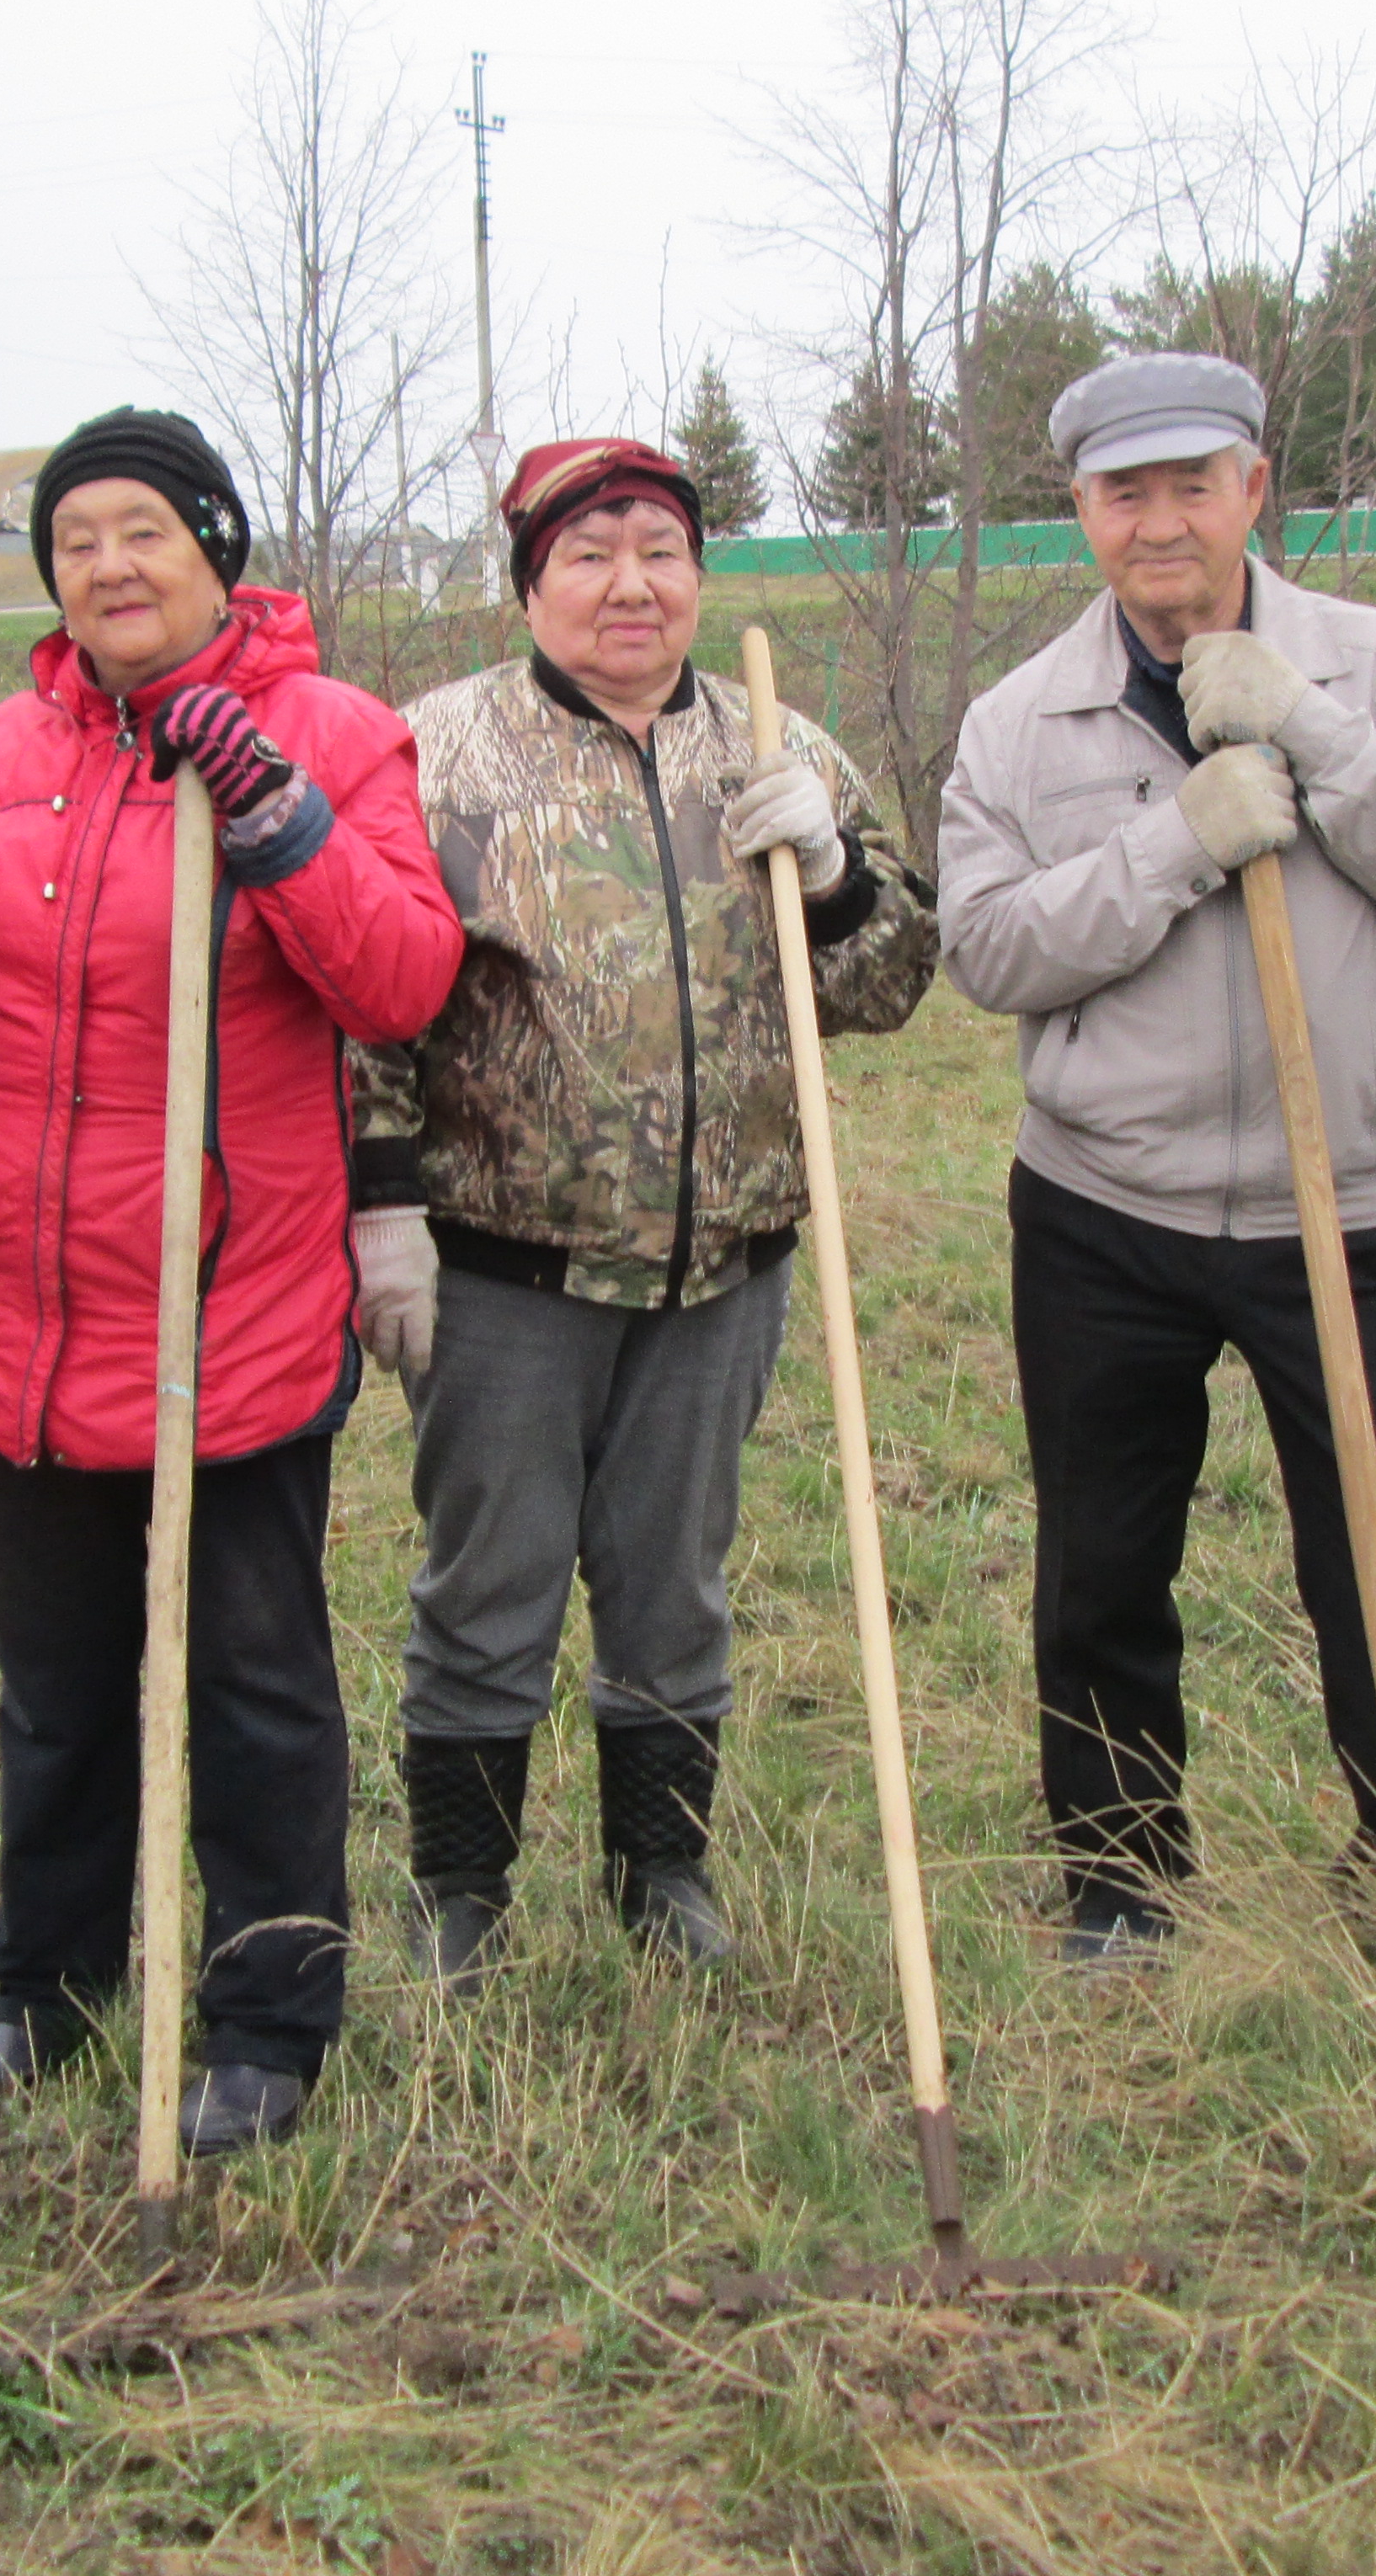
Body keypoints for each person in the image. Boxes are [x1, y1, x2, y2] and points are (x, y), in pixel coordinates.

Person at [0, 407, 460, 2148]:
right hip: (26, 1322)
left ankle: (266, 2017)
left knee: (254, 1689)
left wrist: (272, 812)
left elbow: (404, 981)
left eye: (145, 532)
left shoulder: (334, 735)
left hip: (226, 1312)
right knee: (56, 1691)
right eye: (76, 539)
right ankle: (49, 1990)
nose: (109, 565)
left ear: (216, 549)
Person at [940, 352, 1376, 1963]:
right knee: (1104, 1564)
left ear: (1254, 488)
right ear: (1081, 511)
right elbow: (988, 950)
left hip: (1340, 1201)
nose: (1161, 523)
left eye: (1193, 485)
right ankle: (1122, 1876)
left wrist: (1315, 736)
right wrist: (1176, 843)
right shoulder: (1020, 718)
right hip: (1101, 1207)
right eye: (1124, 493)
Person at [349, 439, 936, 1991]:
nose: (631, 584)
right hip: (504, 1276)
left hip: (724, 1268)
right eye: (590, 553)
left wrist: (833, 872)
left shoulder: (776, 744)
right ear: (531, 582)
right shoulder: (435, 757)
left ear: (698, 575)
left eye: (660, 550)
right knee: (490, 1583)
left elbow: (891, 985)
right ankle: (463, 1888)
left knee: (674, 1587)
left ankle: (661, 1870)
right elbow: (368, 1008)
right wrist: (381, 1205)